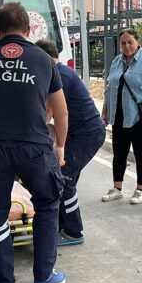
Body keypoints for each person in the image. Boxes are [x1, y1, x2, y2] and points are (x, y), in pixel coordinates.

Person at [0, 2, 69, 283]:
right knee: (48, 202)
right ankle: (44, 277)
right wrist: (60, 146)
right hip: (34, 144)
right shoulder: (44, 59)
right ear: (28, 30)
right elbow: (62, 113)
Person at [36, 39, 106, 247]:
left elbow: (53, 111)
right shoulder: (57, 73)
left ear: (45, 58)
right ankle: (59, 226)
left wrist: (58, 145)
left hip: (88, 134)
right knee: (62, 179)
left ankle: (74, 232)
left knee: (64, 179)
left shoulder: (61, 75)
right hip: (81, 133)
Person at [101, 29, 142, 205]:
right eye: (123, 43)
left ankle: (140, 189)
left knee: (140, 154)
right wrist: (105, 112)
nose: (127, 46)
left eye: (130, 42)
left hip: (139, 117)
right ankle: (117, 188)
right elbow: (109, 89)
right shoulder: (116, 61)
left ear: (137, 41)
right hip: (118, 115)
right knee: (119, 153)